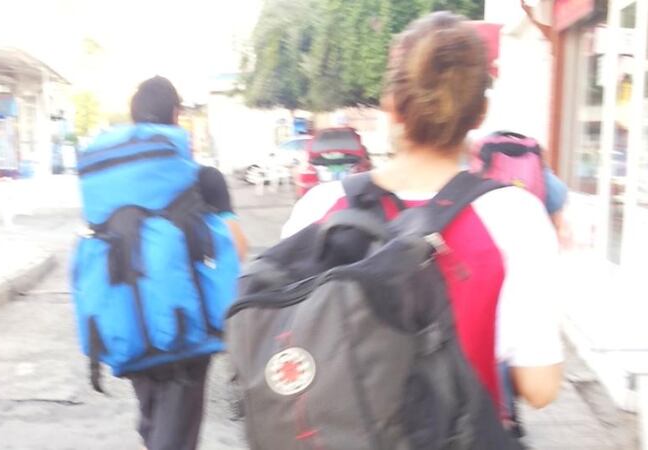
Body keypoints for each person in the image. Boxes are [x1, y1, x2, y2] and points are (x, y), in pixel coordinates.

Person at [281, 11, 563, 423]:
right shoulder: (516, 216)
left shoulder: (321, 206)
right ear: (480, 113)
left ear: (392, 106)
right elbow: (540, 387)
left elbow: (289, 339)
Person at [101, 76, 247, 450]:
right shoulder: (202, 178)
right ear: (177, 115)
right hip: (186, 329)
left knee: (154, 419)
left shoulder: (109, 183)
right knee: (177, 434)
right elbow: (237, 246)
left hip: (132, 322)